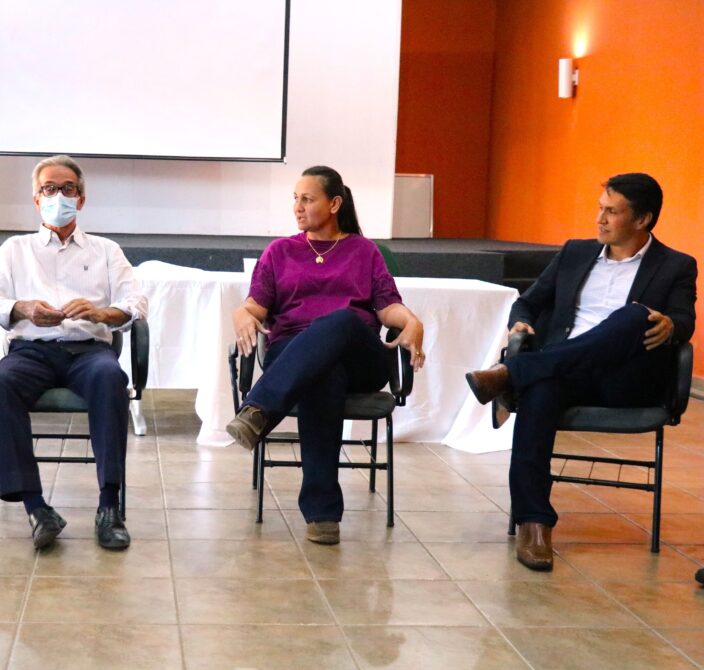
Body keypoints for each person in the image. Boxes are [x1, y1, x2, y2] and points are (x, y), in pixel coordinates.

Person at [465, 173, 696, 571]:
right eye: (600, 208)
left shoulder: (676, 265)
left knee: (634, 316)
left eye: (612, 211)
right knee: (541, 390)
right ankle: (534, 523)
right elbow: (528, 302)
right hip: (566, 375)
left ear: (642, 219)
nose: (599, 219)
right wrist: (521, 322)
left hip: (625, 380)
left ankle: (512, 374)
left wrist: (672, 325)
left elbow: (684, 320)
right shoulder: (575, 252)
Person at [226, 165, 426, 545]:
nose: (297, 207)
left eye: (307, 199)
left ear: (334, 204)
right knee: (324, 374)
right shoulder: (280, 251)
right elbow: (255, 307)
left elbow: (387, 307)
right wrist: (241, 315)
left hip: (360, 357)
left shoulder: (364, 251)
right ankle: (322, 514)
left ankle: (259, 409)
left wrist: (411, 321)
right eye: (295, 199)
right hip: (295, 354)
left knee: (341, 321)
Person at [0, 155, 147, 551]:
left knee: (111, 379)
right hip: (30, 351)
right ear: (36, 199)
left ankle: (109, 506)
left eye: (68, 189)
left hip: (89, 351)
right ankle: (37, 509)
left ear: (81, 199)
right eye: (49, 189)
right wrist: (23, 308)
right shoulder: (15, 249)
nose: (58, 196)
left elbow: (136, 303)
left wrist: (101, 313)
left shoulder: (106, 250)